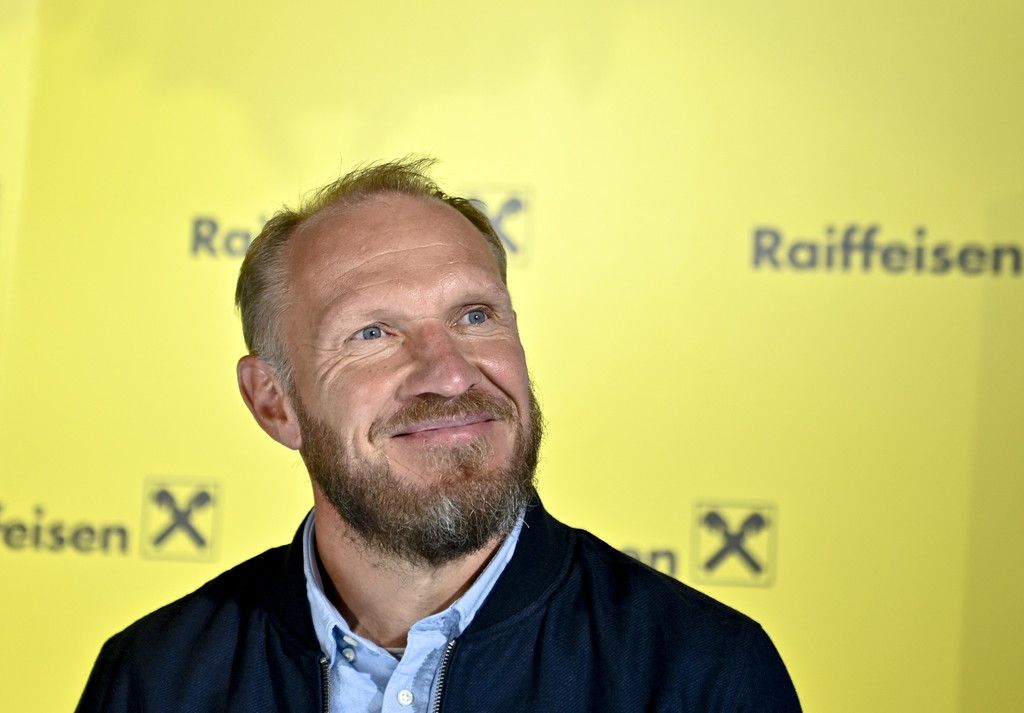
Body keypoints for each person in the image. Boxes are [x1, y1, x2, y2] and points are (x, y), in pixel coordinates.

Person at [76, 158, 801, 712]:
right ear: (275, 404)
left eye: (475, 317)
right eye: (373, 332)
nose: (450, 375)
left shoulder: (701, 675)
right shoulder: (155, 679)